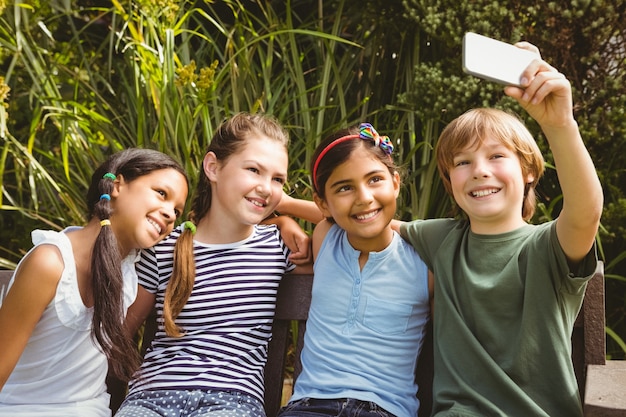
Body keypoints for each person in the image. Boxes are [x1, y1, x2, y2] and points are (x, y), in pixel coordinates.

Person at [397, 43, 603, 416]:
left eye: (496, 156)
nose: (479, 170)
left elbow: (586, 212)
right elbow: (367, 218)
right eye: (463, 161)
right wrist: (281, 212)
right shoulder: (442, 238)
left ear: (528, 171)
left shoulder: (547, 247)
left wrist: (559, 125)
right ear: (450, 181)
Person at [115, 112, 315, 417]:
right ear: (213, 167)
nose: (265, 186)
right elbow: (120, 337)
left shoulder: (278, 247)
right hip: (150, 398)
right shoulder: (165, 247)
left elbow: (352, 222)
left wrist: (284, 206)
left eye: (277, 179)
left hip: (231, 401)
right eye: (253, 170)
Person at [0, 148, 189, 416]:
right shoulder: (50, 263)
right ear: (117, 185)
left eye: (177, 210)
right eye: (161, 193)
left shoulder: (133, 269)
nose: (170, 213)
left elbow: (204, 229)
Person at [278, 123, 434, 417]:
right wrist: (282, 217)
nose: (363, 197)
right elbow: (339, 216)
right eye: (345, 187)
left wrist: (285, 206)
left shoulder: (424, 262)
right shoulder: (327, 239)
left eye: (375, 179)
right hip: (309, 407)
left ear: (396, 183)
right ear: (323, 203)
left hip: (384, 410)